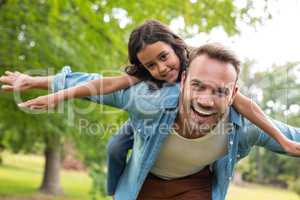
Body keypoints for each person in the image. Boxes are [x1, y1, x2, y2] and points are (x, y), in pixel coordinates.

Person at [1, 29, 300, 200]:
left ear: (233, 94)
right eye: (197, 86)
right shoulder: (148, 94)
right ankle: (114, 189)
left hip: (193, 185)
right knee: (116, 144)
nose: (206, 100)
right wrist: (37, 83)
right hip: (144, 177)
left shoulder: (243, 123)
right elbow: (92, 83)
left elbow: (289, 135)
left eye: (220, 91)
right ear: (184, 82)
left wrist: (285, 143)